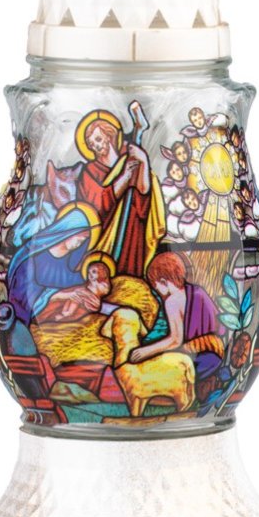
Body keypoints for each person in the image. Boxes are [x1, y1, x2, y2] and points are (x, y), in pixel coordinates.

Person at [75, 111, 165, 277]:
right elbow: (97, 205)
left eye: (98, 139)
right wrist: (124, 178)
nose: (95, 146)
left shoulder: (129, 158)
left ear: (109, 135)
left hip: (132, 229)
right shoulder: (90, 172)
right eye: (91, 144)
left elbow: (143, 195)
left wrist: (144, 161)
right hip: (104, 238)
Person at [130, 252, 225, 382]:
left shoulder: (172, 301)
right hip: (216, 355)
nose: (157, 291)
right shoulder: (198, 291)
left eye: (155, 286)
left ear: (163, 282)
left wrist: (145, 351)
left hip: (195, 359)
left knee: (154, 376)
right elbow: (221, 326)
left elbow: (175, 340)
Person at [5, 203, 101, 324]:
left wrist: (91, 296)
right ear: (68, 232)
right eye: (78, 239)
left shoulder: (71, 264)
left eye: (82, 242)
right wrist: (63, 295)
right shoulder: (33, 258)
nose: (79, 245)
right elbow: (23, 297)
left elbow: (77, 284)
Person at [35, 258, 113, 324]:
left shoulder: (104, 285)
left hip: (90, 299)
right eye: (89, 272)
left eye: (94, 272)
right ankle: (65, 312)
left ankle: (69, 313)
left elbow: (102, 292)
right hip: (84, 295)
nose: (90, 275)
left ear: (102, 273)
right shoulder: (88, 283)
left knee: (77, 296)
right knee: (75, 296)